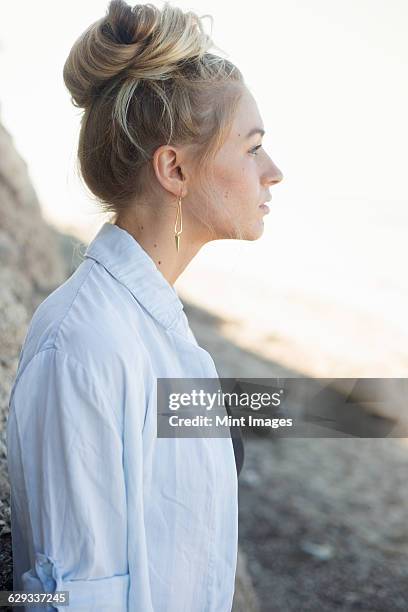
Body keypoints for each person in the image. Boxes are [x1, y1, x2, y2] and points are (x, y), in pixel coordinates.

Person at [6, 1, 284, 610]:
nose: (274, 172)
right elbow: (70, 599)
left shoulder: (154, 327)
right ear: (174, 168)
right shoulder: (86, 345)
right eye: (253, 147)